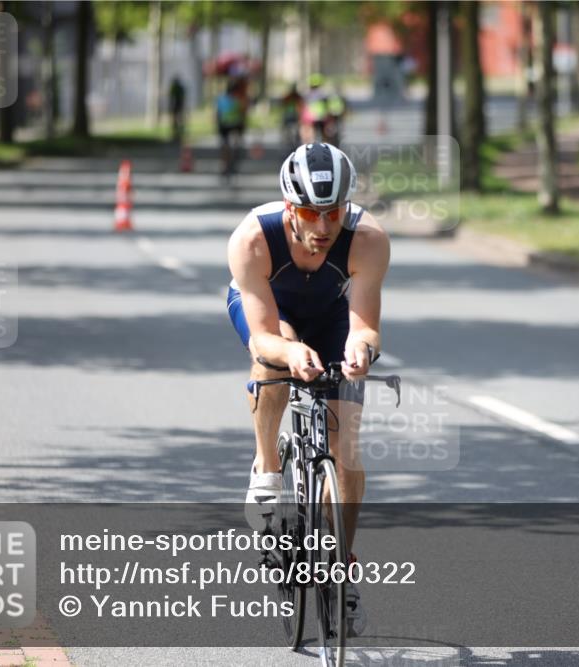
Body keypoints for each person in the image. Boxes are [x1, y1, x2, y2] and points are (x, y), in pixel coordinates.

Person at [226, 143, 390, 636]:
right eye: (309, 213)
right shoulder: (252, 239)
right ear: (288, 207)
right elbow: (263, 335)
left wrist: (361, 350)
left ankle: (342, 565)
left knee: (346, 448)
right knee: (274, 358)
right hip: (271, 314)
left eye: (333, 213)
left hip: (334, 314)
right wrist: (290, 352)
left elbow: (364, 326)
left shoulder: (369, 239)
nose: (322, 227)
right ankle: (267, 468)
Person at [216, 77, 248, 178]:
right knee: (235, 144)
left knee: (225, 146)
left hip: (225, 125)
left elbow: (218, 113)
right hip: (235, 125)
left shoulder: (221, 99)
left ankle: (225, 165)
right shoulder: (239, 99)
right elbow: (243, 113)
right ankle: (232, 161)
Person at [300, 73, 329, 144]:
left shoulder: (307, 94)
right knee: (324, 132)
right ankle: (326, 145)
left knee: (307, 131)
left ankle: (307, 144)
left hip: (310, 118)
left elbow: (303, 106)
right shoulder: (323, 94)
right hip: (322, 117)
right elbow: (327, 106)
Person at [279, 83, 304, 152]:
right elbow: (283, 102)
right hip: (289, 116)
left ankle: (295, 143)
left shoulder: (297, 97)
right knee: (288, 131)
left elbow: (301, 106)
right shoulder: (289, 96)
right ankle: (289, 142)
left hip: (294, 116)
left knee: (296, 131)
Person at [168, 75, 186, 144]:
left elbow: (171, 97)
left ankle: (177, 134)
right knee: (178, 120)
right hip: (178, 105)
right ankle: (177, 134)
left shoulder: (175, 87)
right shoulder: (179, 87)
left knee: (177, 120)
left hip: (177, 105)